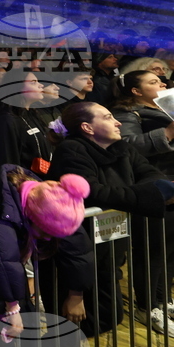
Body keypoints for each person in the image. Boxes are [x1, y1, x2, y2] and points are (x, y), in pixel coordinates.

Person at [51, 102, 174, 335]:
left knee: (109, 316)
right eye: (108, 117)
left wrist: (157, 190)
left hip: (110, 243)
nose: (117, 122)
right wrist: (152, 194)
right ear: (87, 127)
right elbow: (94, 192)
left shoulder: (121, 147)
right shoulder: (72, 150)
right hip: (79, 247)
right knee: (81, 322)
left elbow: (150, 174)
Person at [0, 165, 95, 337]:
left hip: (1, 279)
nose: (48, 238)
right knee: (21, 337)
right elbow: (3, 260)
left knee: (26, 335)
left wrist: (76, 293)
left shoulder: (46, 196)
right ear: (33, 216)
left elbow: (77, 245)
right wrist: (12, 309)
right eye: (46, 232)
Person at [111, 70, 174, 174]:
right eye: (153, 82)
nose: (163, 84)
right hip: (161, 173)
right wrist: (168, 133)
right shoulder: (126, 112)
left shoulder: (167, 107)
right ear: (137, 91)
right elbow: (125, 145)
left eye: (160, 81)